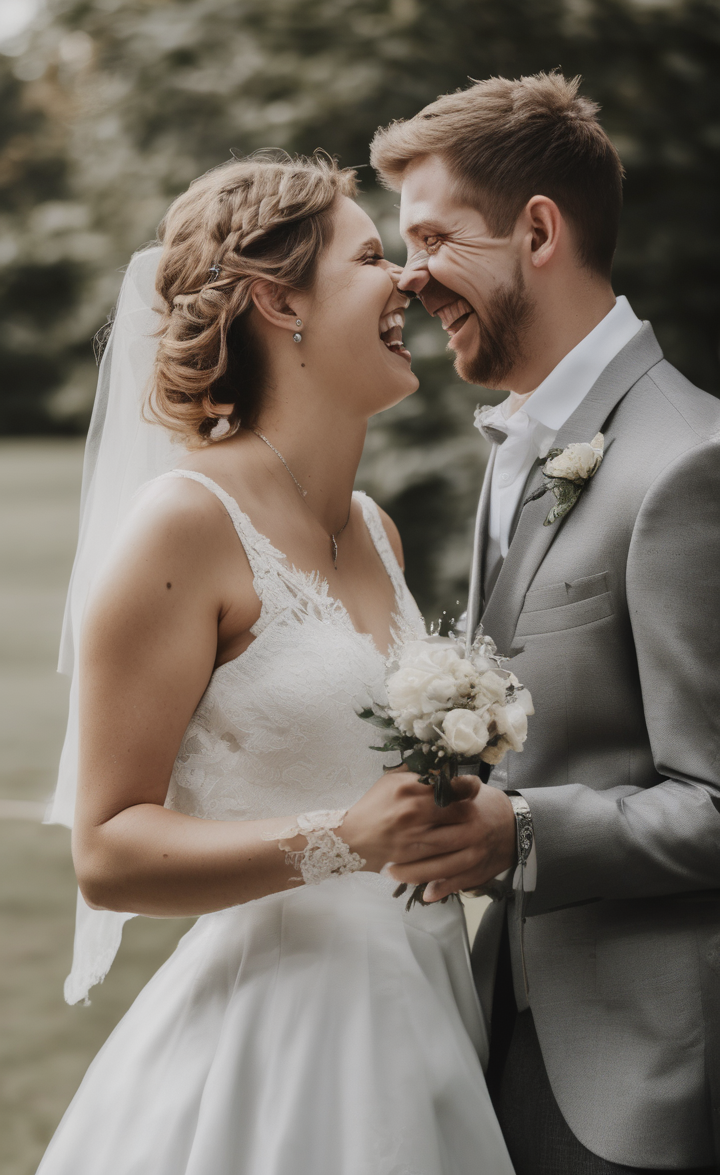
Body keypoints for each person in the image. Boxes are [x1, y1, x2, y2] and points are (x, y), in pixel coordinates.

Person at [38, 154, 516, 1175]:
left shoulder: (376, 528)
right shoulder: (185, 524)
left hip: (422, 1005)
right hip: (283, 1046)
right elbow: (108, 849)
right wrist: (342, 836)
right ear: (277, 298)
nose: (408, 283)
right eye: (373, 256)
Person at [369, 71, 720, 1174]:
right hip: (511, 1026)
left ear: (536, 230)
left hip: (649, 1077)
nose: (408, 274)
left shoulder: (689, 464)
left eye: (432, 238)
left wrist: (518, 833)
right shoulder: (524, 440)